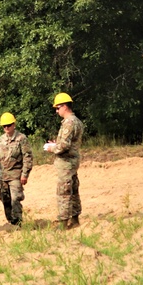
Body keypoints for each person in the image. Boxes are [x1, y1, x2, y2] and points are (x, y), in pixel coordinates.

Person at [43, 93, 84, 229]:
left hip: (66, 162)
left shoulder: (69, 122)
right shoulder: (77, 121)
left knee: (64, 192)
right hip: (73, 160)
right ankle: (75, 218)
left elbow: (64, 146)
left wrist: (52, 147)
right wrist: (58, 143)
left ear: (65, 106)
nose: (56, 111)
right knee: (73, 189)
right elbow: (69, 143)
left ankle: (63, 223)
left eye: (58, 107)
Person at [0, 112, 33, 225]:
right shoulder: (0, 140)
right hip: (3, 175)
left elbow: (28, 157)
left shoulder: (21, 138)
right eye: (4, 126)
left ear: (14, 124)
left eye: (9, 125)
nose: (6, 127)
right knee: (5, 199)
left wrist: (25, 174)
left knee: (15, 198)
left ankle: (18, 222)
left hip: (16, 174)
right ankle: (11, 221)